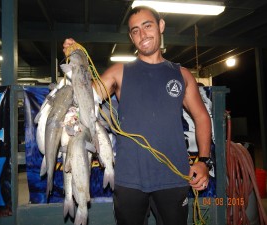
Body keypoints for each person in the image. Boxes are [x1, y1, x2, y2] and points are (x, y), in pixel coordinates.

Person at [63, 6, 212, 225]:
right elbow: (85, 97)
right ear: (131, 38)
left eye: (147, 26)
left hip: (173, 177)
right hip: (129, 179)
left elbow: (201, 117)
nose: (142, 34)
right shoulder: (119, 72)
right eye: (135, 31)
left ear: (161, 26)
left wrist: (204, 161)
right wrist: (75, 62)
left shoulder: (181, 74)